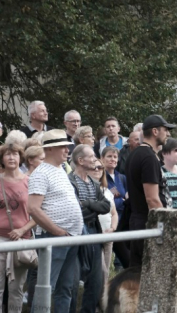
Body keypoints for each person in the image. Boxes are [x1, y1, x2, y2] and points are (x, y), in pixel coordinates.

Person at [28, 129, 84, 313]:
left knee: (65, 287)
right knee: (47, 286)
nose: (67, 150)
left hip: (69, 236)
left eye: (68, 147)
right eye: (63, 147)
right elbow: (33, 208)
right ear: (50, 149)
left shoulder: (60, 169)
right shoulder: (41, 173)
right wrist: (56, 230)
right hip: (54, 237)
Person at [126, 115, 174, 267]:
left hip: (140, 222)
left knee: (139, 277)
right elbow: (152, 199)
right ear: (155, 131)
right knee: (148, 277)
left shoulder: (136, 154)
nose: (168, 134)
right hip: (148, 224)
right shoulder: (147, 157)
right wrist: (164, 226)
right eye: (165, 130)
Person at [68, 144, 111, 313]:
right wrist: (93, 207)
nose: (95, 159)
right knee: (72, 280)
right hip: (77, 233)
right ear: (80, 160)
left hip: (94, 232)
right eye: (92, 156)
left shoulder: (94, 182)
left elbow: (106, 206)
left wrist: (87, 204)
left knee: (96, 280)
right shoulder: (69, 181)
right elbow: (75, 211)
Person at [0, 143, 36, 312]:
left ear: (20, 157)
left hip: (22, 240)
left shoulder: (30, 181)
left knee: (17, 289)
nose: (11, 157)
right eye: (7, 154)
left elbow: (38, 213)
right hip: (0, 240)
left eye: (15, 154)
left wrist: (22, 230)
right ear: (2, 159)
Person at [91, 158, 119, 286]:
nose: (97, 170)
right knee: (100, 270)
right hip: (94, 234)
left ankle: (103, 299)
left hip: (108, 234)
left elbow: (114, 213)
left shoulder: (107, 191)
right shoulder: (85, 189)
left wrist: (113, 228)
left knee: (106, 271)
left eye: (100, 167)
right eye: (94, 167)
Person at [101, 146, 130, 268]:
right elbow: (107, 201)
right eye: (109, 156)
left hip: (122, 220)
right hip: (108, 221)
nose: (112, 159)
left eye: (115, 157)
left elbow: (127, 197)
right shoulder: (101, 177)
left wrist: (121, 200)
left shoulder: (122, 177)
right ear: (102, 159)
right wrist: (122, 200)